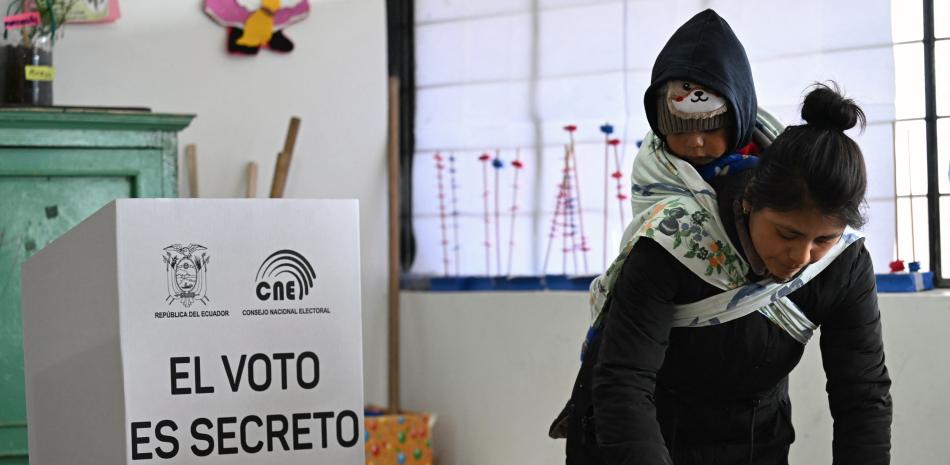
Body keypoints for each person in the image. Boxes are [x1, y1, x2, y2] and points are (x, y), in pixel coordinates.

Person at [552, 82, 893, 465]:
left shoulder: (843, 263)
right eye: (788, 233)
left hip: (754, 438)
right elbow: (623, 383)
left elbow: (862, 393)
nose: (802, 255)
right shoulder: (673, 240)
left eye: (823, 239)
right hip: (636, 435)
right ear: (749, 202)